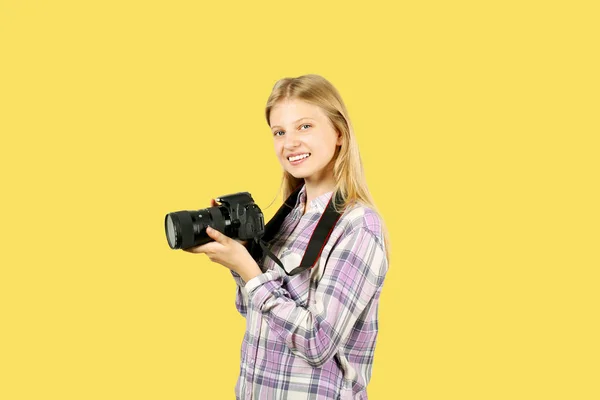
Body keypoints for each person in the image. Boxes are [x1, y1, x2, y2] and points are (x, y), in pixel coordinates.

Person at [185, 74, 391, 399]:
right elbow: (254, 312)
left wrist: (250, 272)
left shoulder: (358, 226)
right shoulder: (290, 216)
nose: (289, 142)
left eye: (304, 126)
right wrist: (241, 257)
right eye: (279, 132)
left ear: (339, 133)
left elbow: (317, 341)